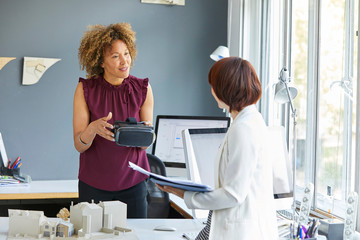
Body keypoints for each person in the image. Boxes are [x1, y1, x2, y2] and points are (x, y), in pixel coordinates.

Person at [158, 57, 278, 239]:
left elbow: (232, 194)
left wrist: (186, 194)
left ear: (225, 89)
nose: (212, 91)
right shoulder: (250, 121)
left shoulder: (244, 128)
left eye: (213, 85)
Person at [73, 23, 154, 218]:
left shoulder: (143, 89)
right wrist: (92, 129)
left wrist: (141, 134)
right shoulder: (85, 90)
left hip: (133, 183)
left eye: (126, 53)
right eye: (115, 56)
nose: (124, 61)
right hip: (93, 184)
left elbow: (146, 144)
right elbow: (79, 145)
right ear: (101, 62)